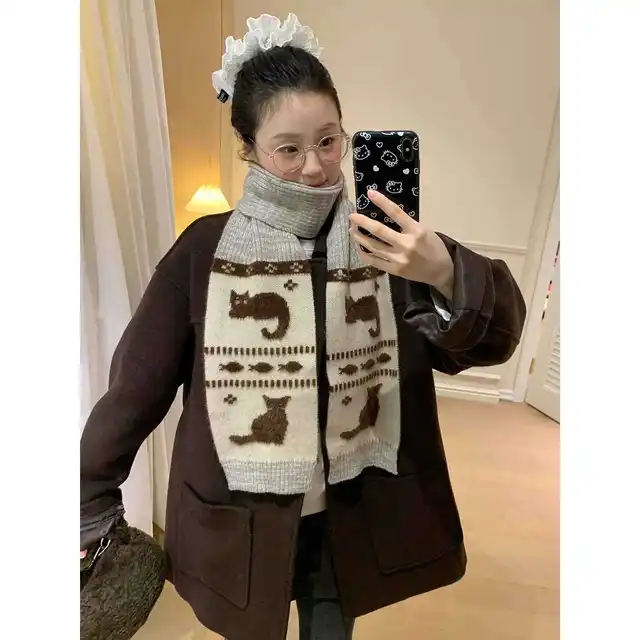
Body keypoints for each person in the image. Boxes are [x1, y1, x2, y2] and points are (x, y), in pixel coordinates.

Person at [80, 13, 526, 640]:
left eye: (328, 141)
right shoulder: (204, 252)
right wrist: (88, 496)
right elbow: (136, 387)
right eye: (288, 149)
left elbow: (494, 338)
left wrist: (444, 270)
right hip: (241, 517)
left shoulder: (389, 247)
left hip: (348, 509)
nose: (315, 167)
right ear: (249, 149)